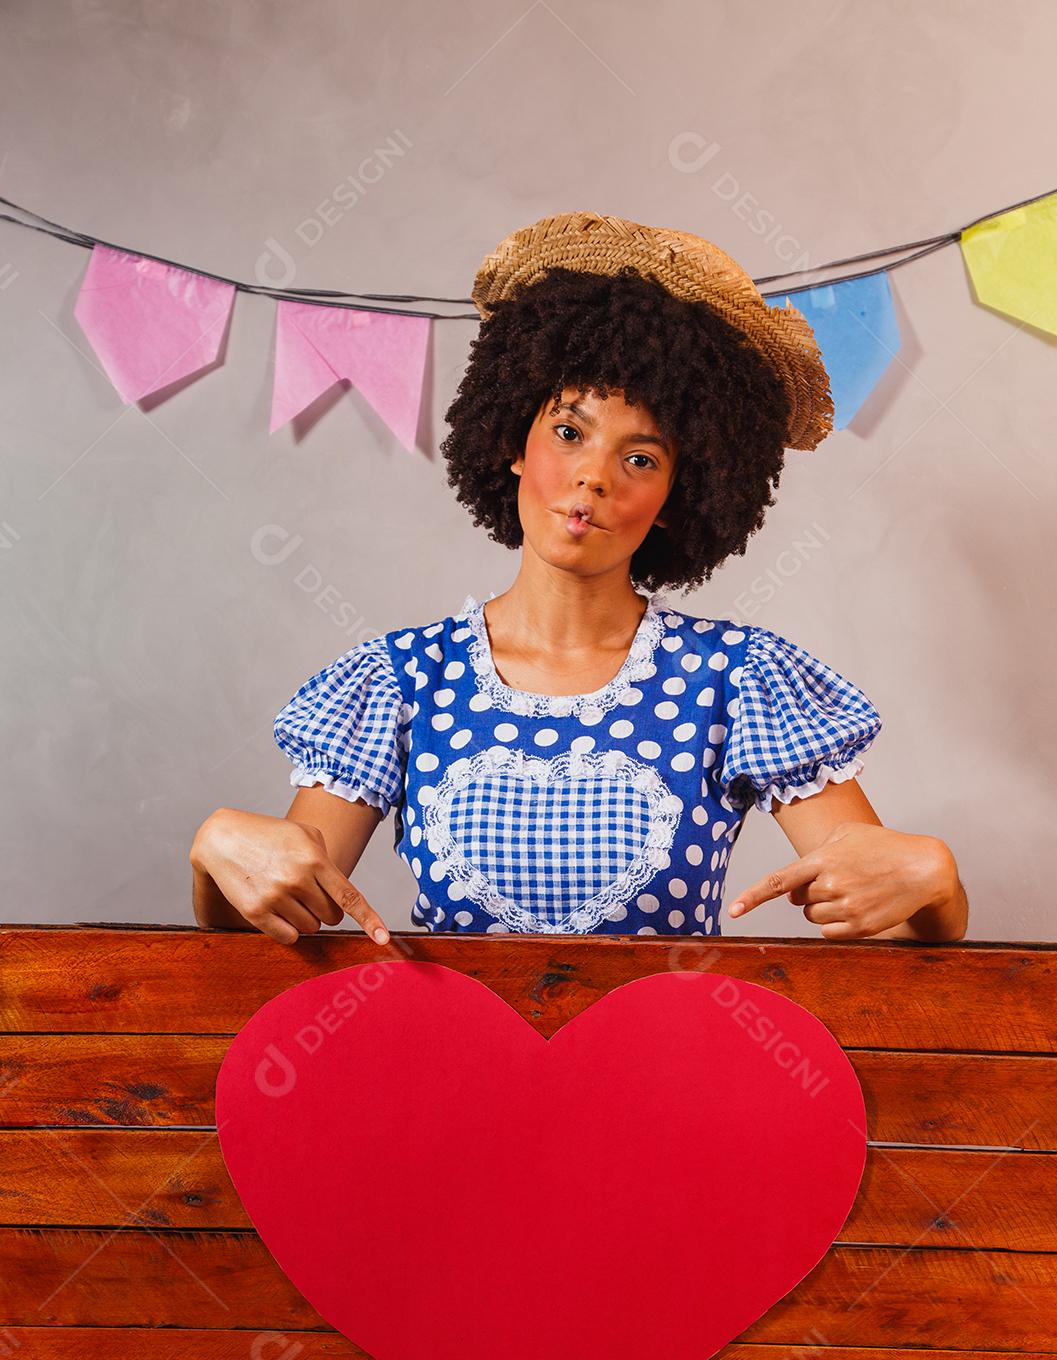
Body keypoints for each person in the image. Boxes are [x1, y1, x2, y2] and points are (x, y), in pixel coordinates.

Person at [190, 211, 967, 946]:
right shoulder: (399, 681)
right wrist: (215, 855)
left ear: (674, 501)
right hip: (453, 1076)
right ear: (513, 443)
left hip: (669, 1077)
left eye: (640, 458)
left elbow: (885, 903)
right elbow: (275, 906)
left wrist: (936, 886)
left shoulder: (739, 678)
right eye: (569, 432)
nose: (593, 478)